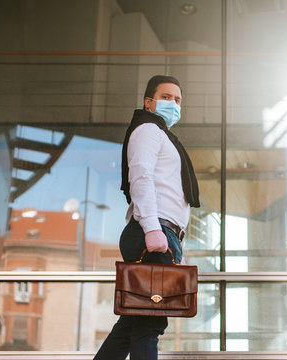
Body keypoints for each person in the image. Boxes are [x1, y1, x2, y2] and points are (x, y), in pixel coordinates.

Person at [94, 75, 200, 360]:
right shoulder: (148, 130)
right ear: (148, 102)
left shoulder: (161, 134)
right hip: (151, 232)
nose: (174, 104)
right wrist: (154, 230)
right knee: (149, 324)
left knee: (134, 322)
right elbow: (141, 177)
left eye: (178, 100)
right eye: (166, 97)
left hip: (162, 234)